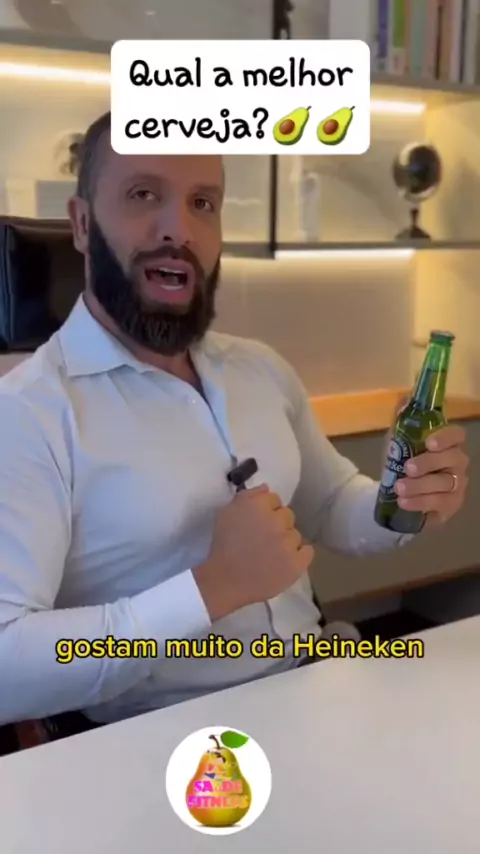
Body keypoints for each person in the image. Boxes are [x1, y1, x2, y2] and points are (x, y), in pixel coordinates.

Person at [0, 112, 468, 750]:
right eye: (144, 194)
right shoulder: (28, 413)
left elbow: (333, 506)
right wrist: (212, 588)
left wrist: (401, 497)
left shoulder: (260, 368)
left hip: (316, 691)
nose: (178, 228)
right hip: (156, 744)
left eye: (203, 203)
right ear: (82, 224)